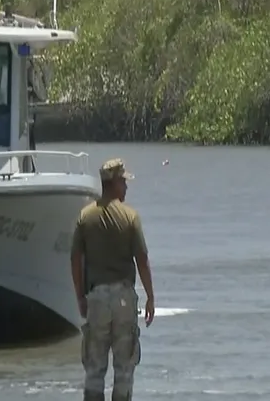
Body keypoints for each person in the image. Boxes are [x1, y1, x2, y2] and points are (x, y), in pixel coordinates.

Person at [70, 158, 155, 401]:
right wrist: (150, 297)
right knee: (124, 370)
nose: (126, 187)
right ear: (114, 183)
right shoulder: (130, 217)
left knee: (94, 370)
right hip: (124, 299)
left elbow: (75, 259)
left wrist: (80, 297)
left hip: (97, 298)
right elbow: (142, 259)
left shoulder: (85, 217)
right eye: (123, 182)